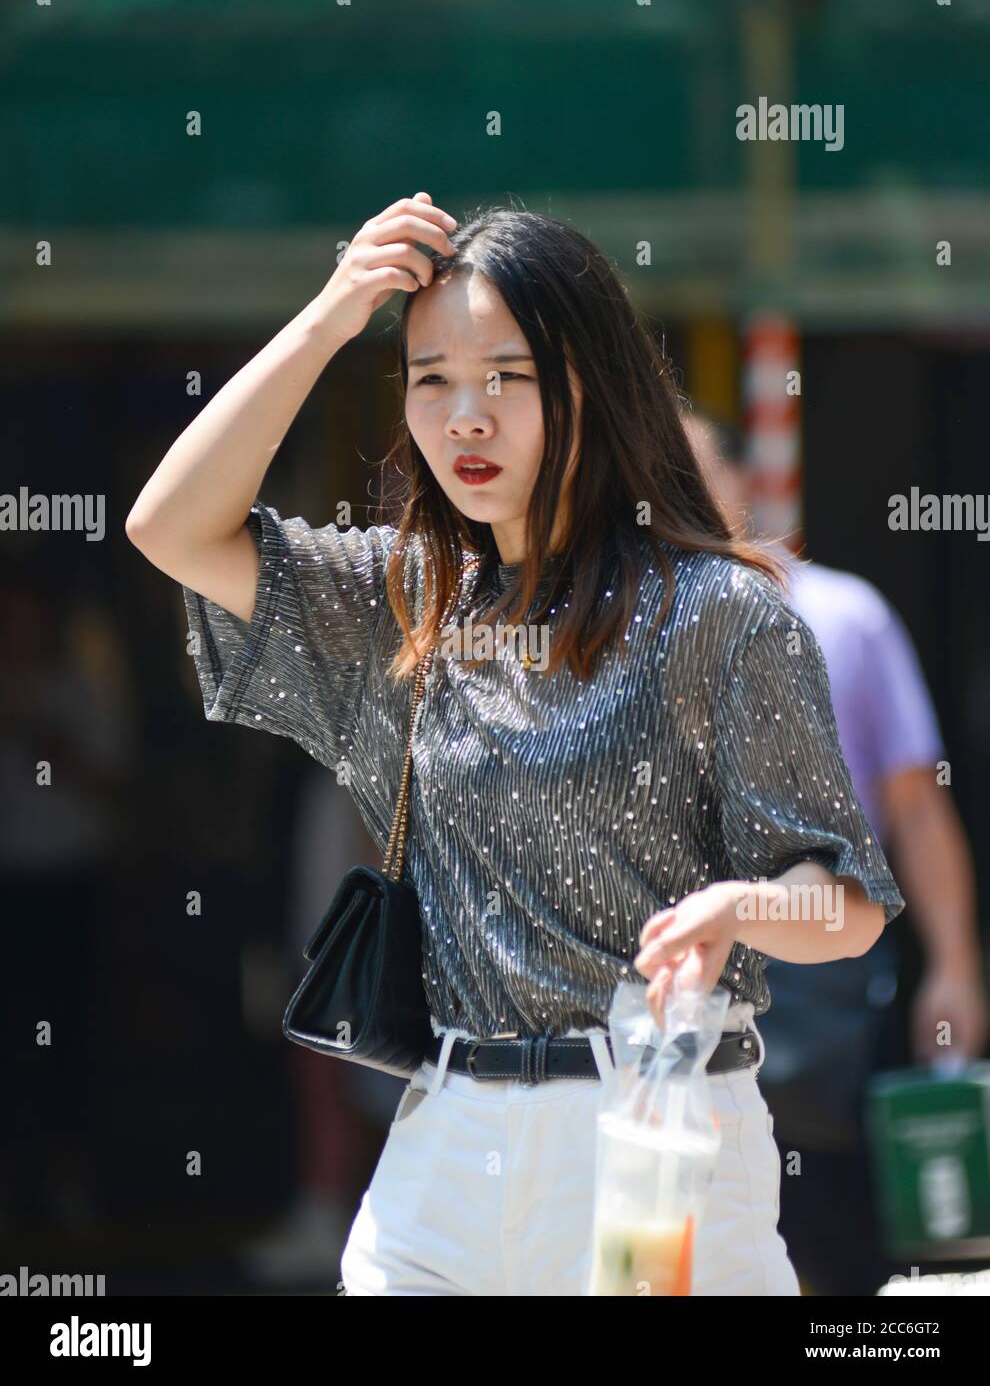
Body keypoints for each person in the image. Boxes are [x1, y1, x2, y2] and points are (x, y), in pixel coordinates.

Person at [126, 192, 905, 1296]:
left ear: (589, 387)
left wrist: (746, 911)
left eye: (506, 376)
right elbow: (169, 525)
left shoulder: (725, 615)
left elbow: (851, 904)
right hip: (445, 1150)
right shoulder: (410, 600)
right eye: (431, 378)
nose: (465, 418)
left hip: (652, 1134)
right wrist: (335, 313)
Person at [685, 408, 988, 1294]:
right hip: (663, 988)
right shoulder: (605, 626)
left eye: (693, 472)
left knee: (826, 1238)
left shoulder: (841, 617)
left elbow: (916, 810)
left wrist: (957, 967)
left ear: (743, 483)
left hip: (814, 978)